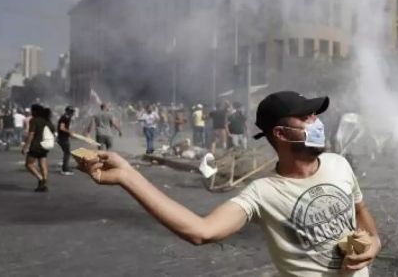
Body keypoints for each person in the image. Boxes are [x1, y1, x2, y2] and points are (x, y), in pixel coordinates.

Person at [78, 91, 380, 276]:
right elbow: (201, 231)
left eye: (315, 114)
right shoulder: (262, 194)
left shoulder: (338, 164)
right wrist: (128, 176)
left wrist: (374, 242)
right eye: (306, 117)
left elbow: (361, 211)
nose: (317, 121)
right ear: (282, 134)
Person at [23, 105, 55, 192]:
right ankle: (44, 181)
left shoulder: (34, 120)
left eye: (32, 111)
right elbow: (53, 130)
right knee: (42, 163)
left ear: (35, 111)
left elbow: (31, 134)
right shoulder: (47, 121)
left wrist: (26, 146)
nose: (31, 112)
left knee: (29, 164)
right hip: (45, 145)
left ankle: (41, 179)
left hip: (36, 145)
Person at [56, 106, 74, 176]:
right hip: (63, 138)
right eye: (71, 111)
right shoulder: (64, 118)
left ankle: (65, 166)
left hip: (63, 137)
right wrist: (69, 132)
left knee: (66, 152)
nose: (72, 113)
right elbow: (62, 127)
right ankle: (65, 168)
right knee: (67, 153)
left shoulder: (66, 117)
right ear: (67, 111)